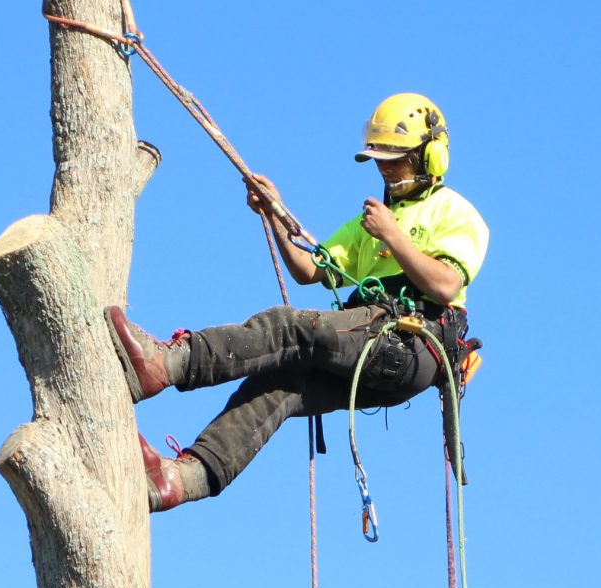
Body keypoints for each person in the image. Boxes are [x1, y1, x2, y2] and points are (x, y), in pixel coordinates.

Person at [107, 93, 491, 511]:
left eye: (395, 159)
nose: (385, 169)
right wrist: (274, 215)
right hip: (372, 342)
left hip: (413, 344)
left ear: (429, 157)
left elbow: (445, 286)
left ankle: (163, 365)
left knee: (288, 326)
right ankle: (182, 479)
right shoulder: (373, 222)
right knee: (278, 385)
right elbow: (310, 271)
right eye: (380, 160)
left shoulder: (454, 213)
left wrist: (394, 238)